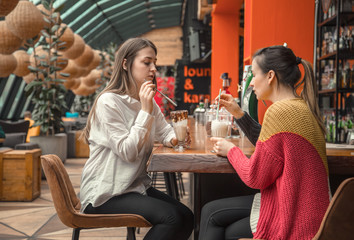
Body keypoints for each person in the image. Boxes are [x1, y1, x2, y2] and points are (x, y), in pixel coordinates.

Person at [199, 45, 330, 240]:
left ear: (270, 76)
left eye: (253, 75)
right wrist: (238, 113)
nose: (250, 83)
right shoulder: (300, 107)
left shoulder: (278, 111)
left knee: (212, 215)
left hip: (295, 220)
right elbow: (272, 148)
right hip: (309, 213)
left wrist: (231, 150)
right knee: (215, 215)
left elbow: (255, 176)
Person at [79, 38, 193, 240]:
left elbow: (164, 132)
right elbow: (128, 152)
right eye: (147, 62)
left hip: (134, 187)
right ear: (125, 64)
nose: (154, 69)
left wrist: (176, 138)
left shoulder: (146, 102)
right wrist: (146, 111)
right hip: (105, 193)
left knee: (187, 216)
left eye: (154, 63)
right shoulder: (109, 102)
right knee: (172, 218)